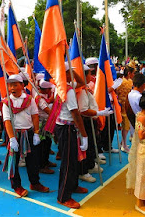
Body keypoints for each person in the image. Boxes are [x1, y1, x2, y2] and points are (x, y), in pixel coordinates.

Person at [2, 74, 49, 197]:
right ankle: (16, 185)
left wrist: (36, 133)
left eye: (15, 84)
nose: (12, 87)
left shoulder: (29, 99)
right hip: (15, 134)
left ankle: (35, 183)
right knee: (14, 161)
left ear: (22, 86)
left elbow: (35, 116)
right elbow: (7, 121)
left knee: (33, 160)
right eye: (10, 85)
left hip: (28, 133)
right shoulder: (7, 102)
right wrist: (12, 138)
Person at [55, 63, 88, 209]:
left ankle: (73, 185)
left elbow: (82, 82)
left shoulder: (64, 86)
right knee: (68, 163)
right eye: (70, 73)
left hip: (67, 128)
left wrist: (72, 74)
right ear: (65, 74)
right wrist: (84, 135)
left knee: (73, 160)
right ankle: (64, 196)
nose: (72, 75)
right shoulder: (67, 91)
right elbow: (75, 113)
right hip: (67, 128)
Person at [77, 65, 112, 183]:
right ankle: (83, 170)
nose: (91, 76)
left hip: (90, 120)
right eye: (88, 74)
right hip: (86, 121)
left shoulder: (85, 88)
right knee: (85, 147)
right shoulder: (81, 91)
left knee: (92, 144)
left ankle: (90, 165)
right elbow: (83, 110)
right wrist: (99, 112)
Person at [35, 79, 56, 174]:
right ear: (46, 89)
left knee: (47, 143)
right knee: (43, 145)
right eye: (49, 89)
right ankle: (42, 165)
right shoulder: (40, 98)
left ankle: (46, 161)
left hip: (46, 123)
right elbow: (48, 110)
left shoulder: (44, 97)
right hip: (42, 125)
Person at [115, 66, 135, 153]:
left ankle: (123, 142)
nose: (134, 74)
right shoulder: (122, 82)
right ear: (129, 73)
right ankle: (123, 145)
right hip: (122, 107)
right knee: (125, 126)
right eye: (133, 73)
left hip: (127, 106)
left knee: (127, 126)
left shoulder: (130, 81)